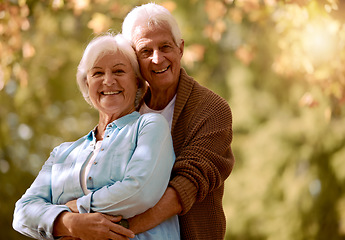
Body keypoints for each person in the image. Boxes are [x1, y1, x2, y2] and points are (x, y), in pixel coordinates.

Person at [12, 33, 180, 240]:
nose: (108, 81)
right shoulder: (63, 153)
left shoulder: (150, 126)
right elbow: (22, 212)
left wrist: (78, 207)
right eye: (97, 73)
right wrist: (67, 222)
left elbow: (141, 191)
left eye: (119, 71)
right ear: (87, 84)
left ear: (137, 82)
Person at [121, 3, 235, 240]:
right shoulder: (124, 108)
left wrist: (117, 230)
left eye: (165, 47)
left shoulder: (212, 110)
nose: (157, 58)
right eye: (145, 51)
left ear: (180, 48)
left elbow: (185, 187)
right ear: (133, 59)